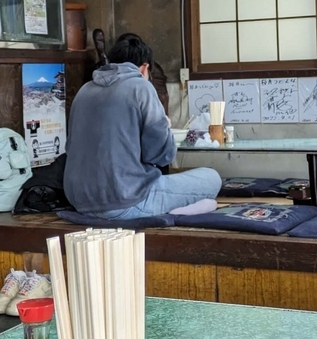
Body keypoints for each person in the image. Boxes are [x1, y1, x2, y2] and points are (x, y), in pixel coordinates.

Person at [64, 34, 220, 219]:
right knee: (211, 178)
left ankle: (179, 208)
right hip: (124, 201)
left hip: (79, 201)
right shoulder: (141, 87)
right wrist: (165, 127)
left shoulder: (85, 90)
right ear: (145, 68)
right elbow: (161, 155)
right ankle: (175, 212)